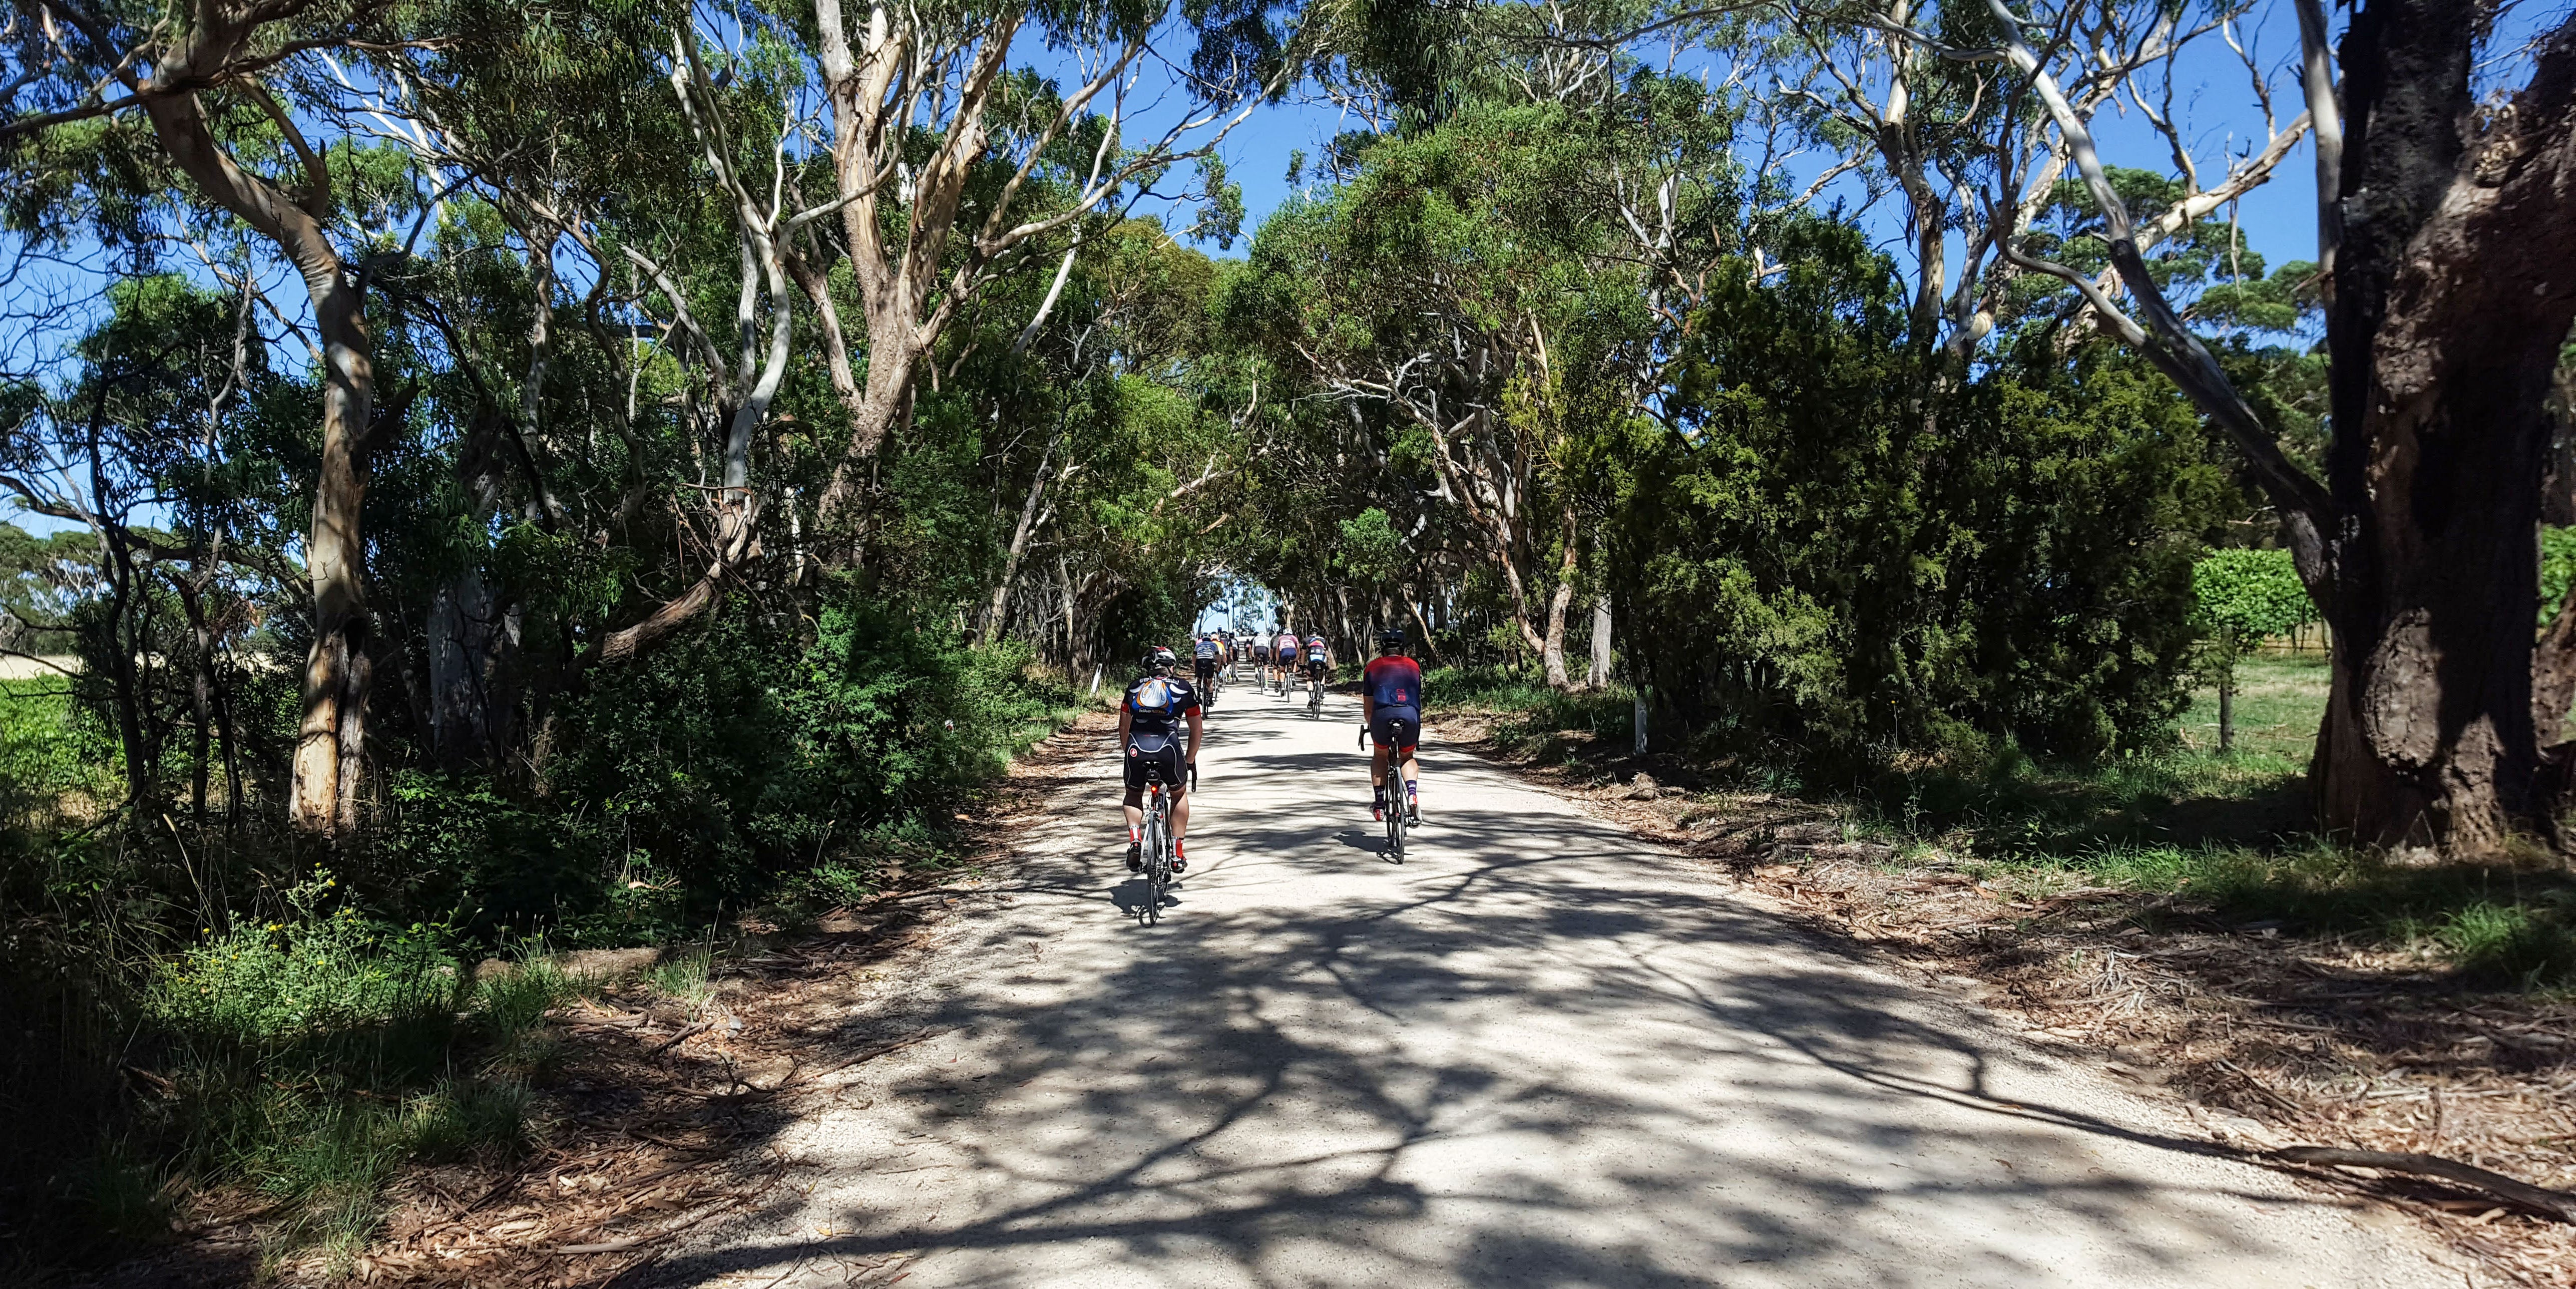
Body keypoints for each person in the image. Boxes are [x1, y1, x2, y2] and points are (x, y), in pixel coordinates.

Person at [1118, 647, 1202, 875]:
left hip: (1137, 748)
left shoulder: (1134, 687)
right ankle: (1177, 853)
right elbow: (1197, 730)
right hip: (1168, 749)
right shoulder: (1183, 688)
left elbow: (1124, 727)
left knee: (1134, 794)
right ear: (1171, 667)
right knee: (1178, 794)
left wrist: (1129, 753)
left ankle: (1136, 839)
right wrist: (1189, 760)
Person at [1363, 628, 1423, 822]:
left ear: (1382, 649)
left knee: (1380, 755)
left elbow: (1368, 708)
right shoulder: (1414, 666)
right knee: (1407, 756)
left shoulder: (1371, 668)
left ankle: (1380, 803)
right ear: (1403, 649)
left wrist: (1372, 726)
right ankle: (1412, 794)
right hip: (1410, 714)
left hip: (1382, 715)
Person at [1192, 631, 1222, 706]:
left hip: (1199, 662)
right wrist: (1217, 668)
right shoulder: (1214, 645)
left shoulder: (1198, 645)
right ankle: (1211, 700)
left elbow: (1194, 658)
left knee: (1199, 679)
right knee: (1210, 681)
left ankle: (1199, 694)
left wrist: (1195, 668)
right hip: (1209, 662)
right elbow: (1218, 658)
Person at [1272, 625, 1301, 695]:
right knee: (1295, 661)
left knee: (1282, 670)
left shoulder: (1281, 638)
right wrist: (1298, 658)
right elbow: (1298, 649)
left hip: (1283, 653)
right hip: (1292, 653)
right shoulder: (1294, 638)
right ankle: (1293, 676)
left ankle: (1282, 687)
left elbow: (1278, 651)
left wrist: (1278, 659)